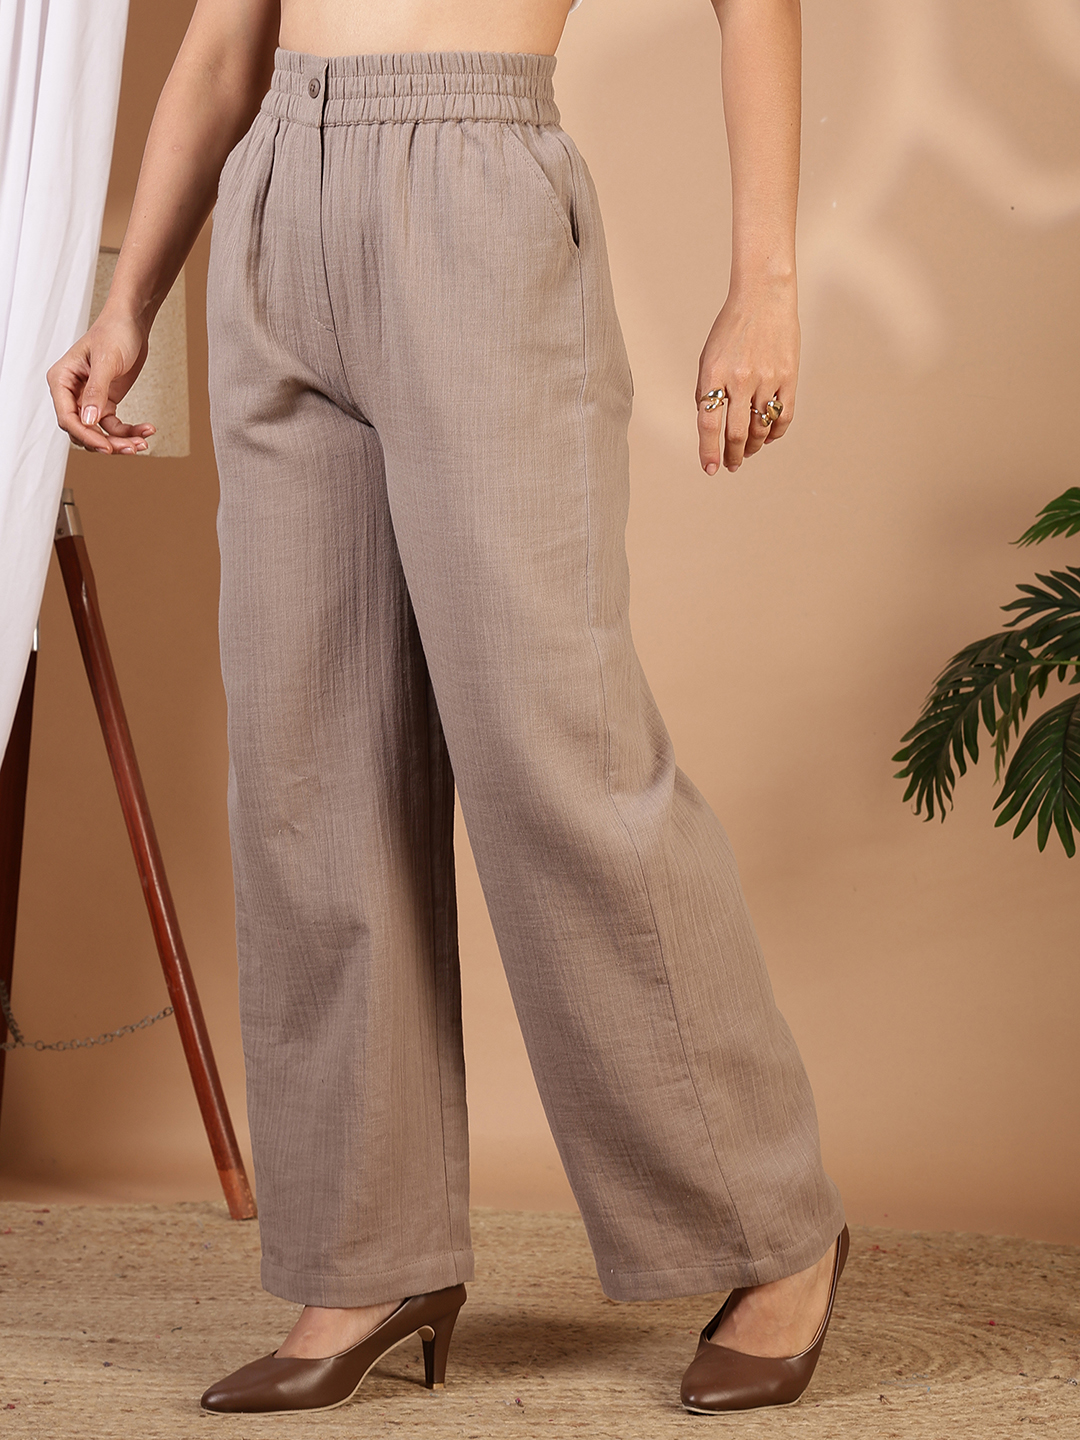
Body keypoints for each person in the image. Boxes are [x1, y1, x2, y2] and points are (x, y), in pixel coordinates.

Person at [48, 0, 847, 1417]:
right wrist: (130, 302)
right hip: (278, 201)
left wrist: (766, 284)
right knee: (306, 771)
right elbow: (227, 42)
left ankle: (772, 1232)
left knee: (559, 757)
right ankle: (366, 1260)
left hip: (478, 193)